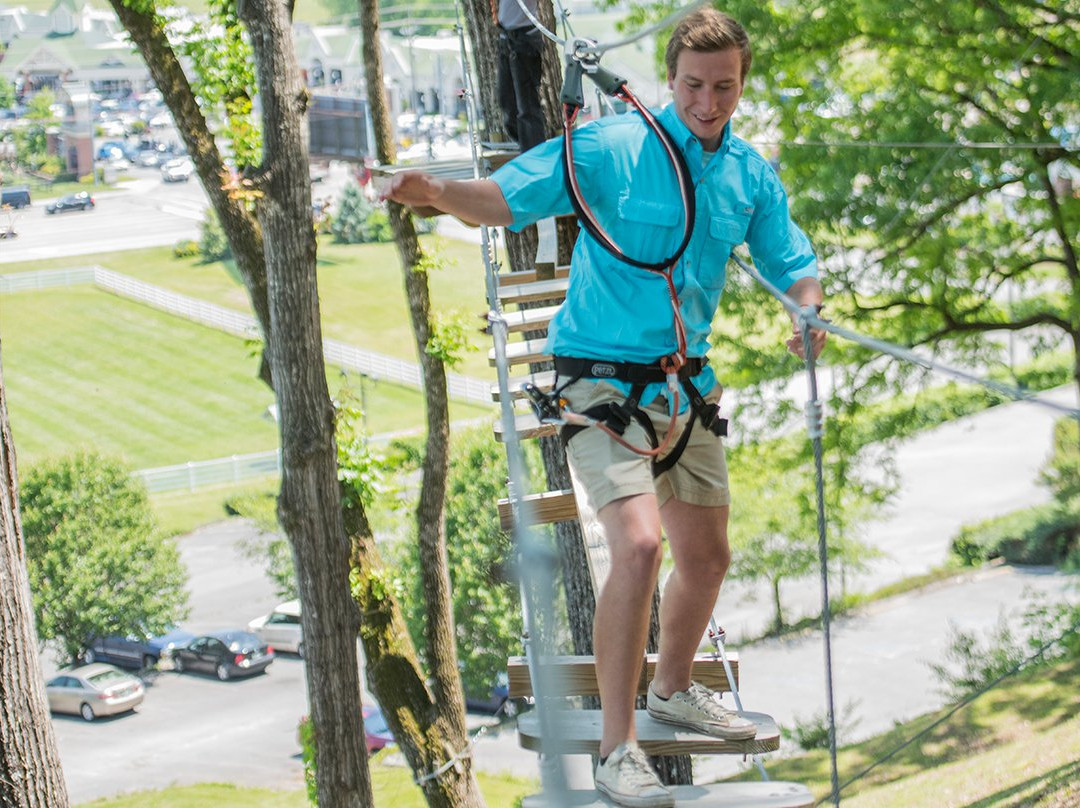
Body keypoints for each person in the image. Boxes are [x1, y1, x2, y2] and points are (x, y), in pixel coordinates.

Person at [386, 9, 826, 807]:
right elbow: (502, 197)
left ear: (741, 84)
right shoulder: (612, 147)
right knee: (638, 547)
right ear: (670, 79)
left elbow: (791, 259)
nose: (707, 101)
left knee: (709, 557)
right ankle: (620, 749)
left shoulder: (746, 174)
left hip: (685, 383)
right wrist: (437, 191)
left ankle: (673, 689)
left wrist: (807, 309)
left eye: (724, 86)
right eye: (694, 85)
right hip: (599, 385)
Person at [494, 0, 546, 152]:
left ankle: (534, 154)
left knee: (527, 106)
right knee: (506, 101)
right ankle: (525, 147)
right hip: (507, 38)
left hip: (525, 40)